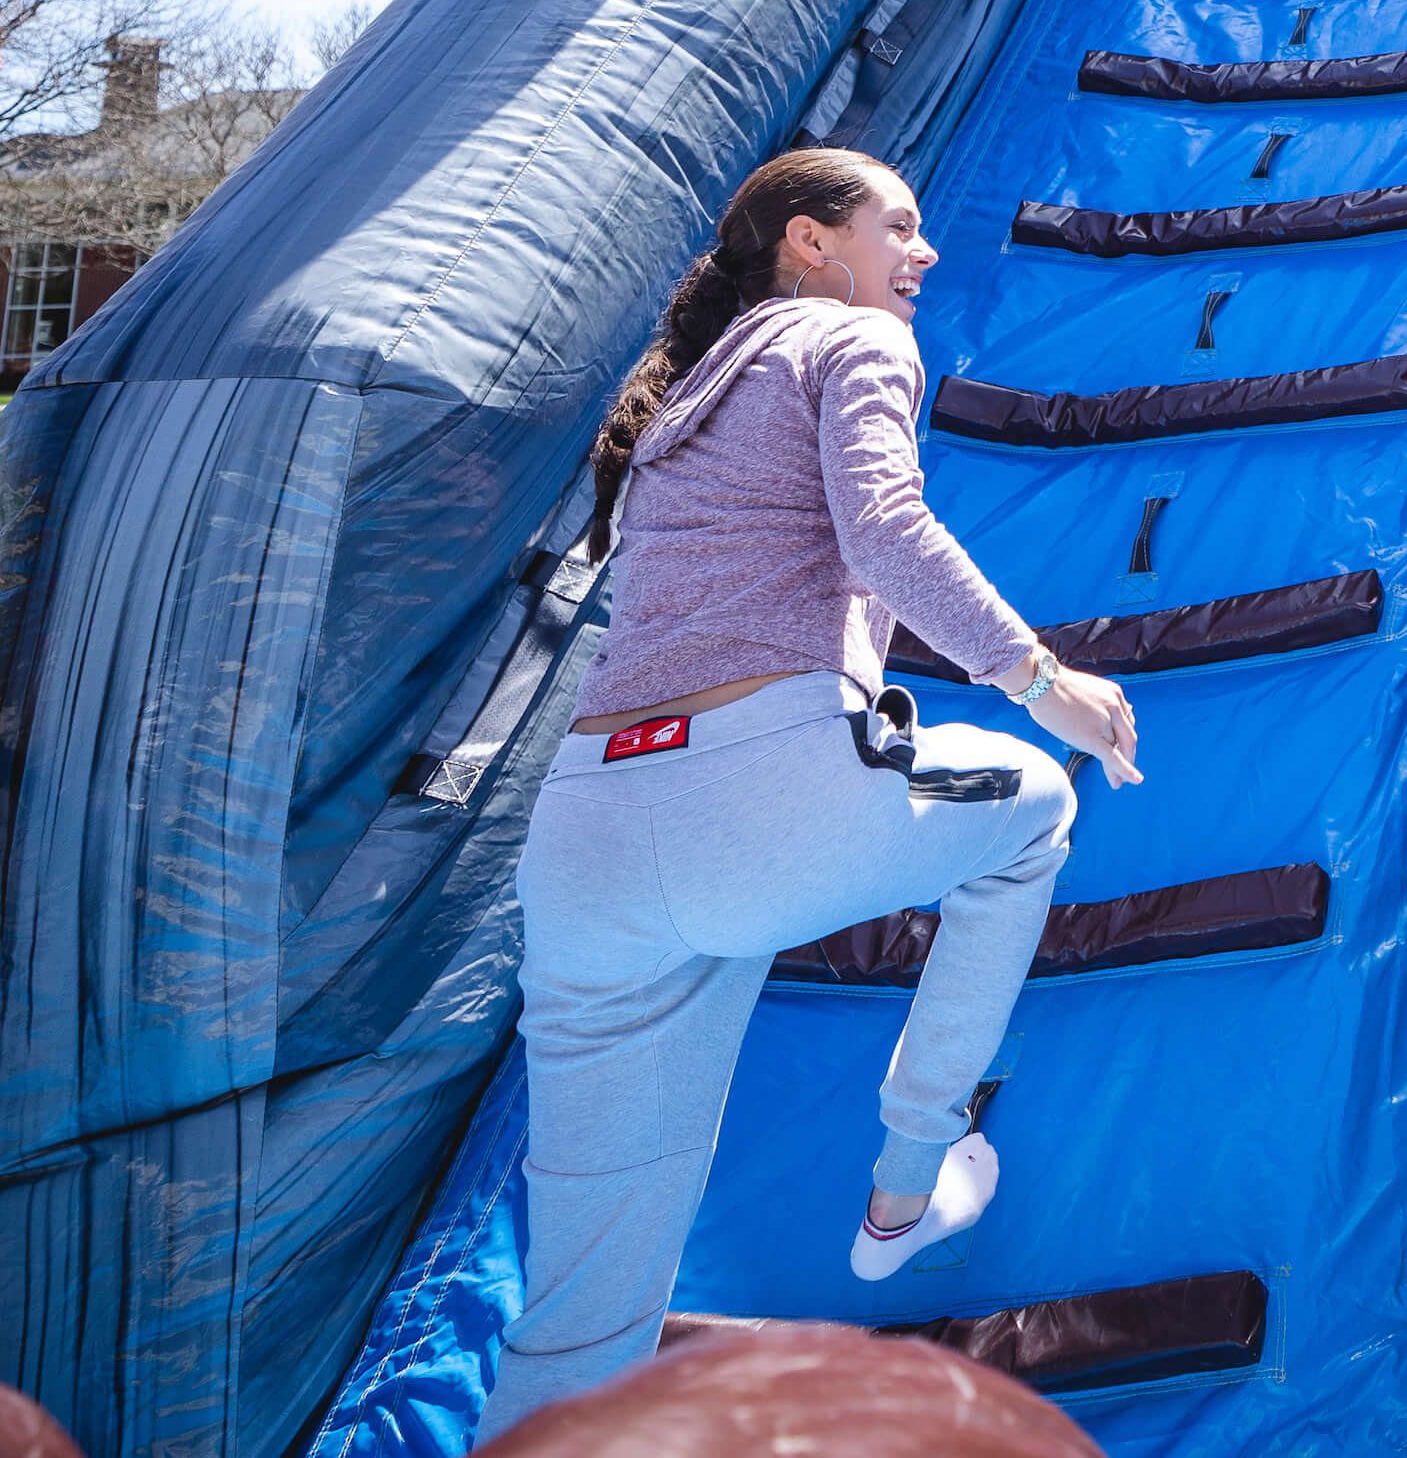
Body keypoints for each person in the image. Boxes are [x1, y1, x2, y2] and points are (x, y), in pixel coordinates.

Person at [479, 149, 1142, 1440]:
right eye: (898, 224)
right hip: (750, 801)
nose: (927, 251)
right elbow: (885, 529)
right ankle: (908, 1176)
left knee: (582, 1305)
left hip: (588, 843)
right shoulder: (849, 339)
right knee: (1030, 808)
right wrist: (1040, 677)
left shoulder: (679, 409)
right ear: (809, 243)